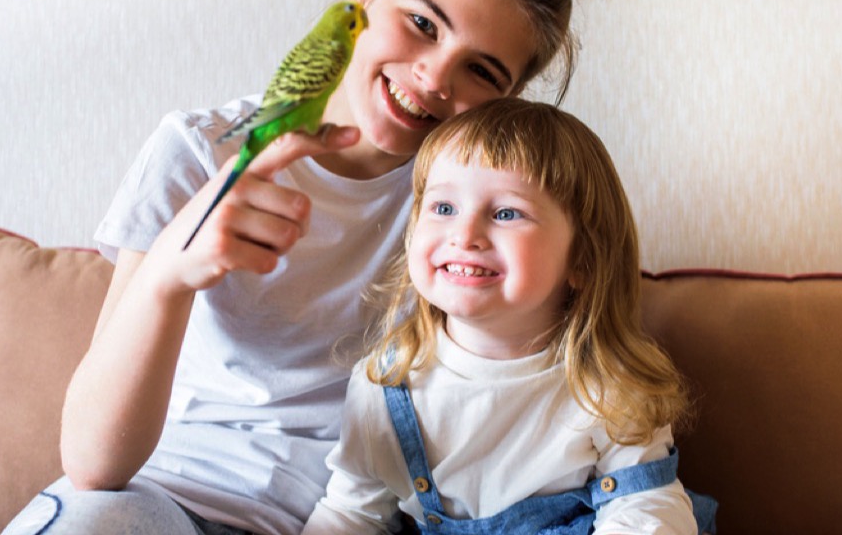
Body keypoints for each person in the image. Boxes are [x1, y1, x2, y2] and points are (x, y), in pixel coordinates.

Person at [2, 0, 630, 535]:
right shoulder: (200, 154)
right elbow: (93, 465)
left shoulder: (467, 221)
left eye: (481, 70)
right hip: (161, 498)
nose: (434, 76)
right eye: (422, 23)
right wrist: (168, 273)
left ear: (506, 102)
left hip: (347, 516)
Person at [302, 98, 717, 535]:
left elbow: (646, 510)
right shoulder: (385, 383)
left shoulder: (608, 386)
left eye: (506, 213)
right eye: (444, 208)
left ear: (583, 260)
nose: (464, 235)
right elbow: (352, 513)